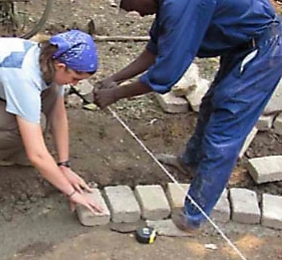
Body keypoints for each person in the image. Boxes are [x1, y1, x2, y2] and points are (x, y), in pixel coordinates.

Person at [94, 0, 282, 232]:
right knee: (210, 105)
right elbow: (155, 49)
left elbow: (167, 73)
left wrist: (117, 94)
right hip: (241, 45)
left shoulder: (182, 5)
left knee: (226, 124)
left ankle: (194, 215)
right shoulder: (168, 5)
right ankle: (191, 163)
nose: (136, 13)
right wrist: (116, 79)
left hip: (264, 47)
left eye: (129, 4)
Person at [0, 30, 102, 214]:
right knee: (25, 126)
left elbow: (58, 115)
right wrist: (71, 193)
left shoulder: (45, 59)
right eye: (75, 78)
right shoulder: (24, 78)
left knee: (51, 94)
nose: (75, 84)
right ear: (61, 66)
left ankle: (8, 150)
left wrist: (64, 165)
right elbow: (36, 155)